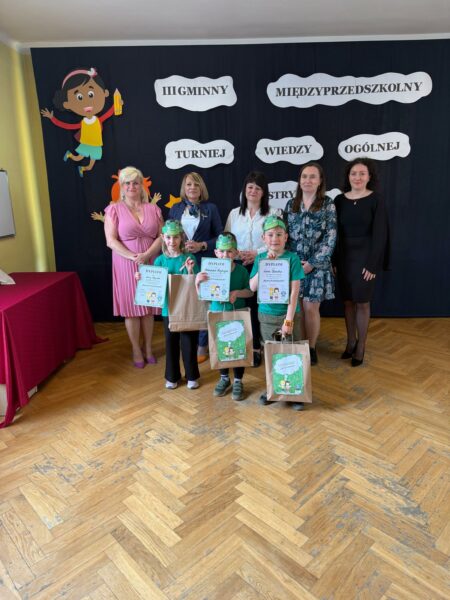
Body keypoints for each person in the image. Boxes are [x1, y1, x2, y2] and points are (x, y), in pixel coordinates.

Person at [104, 166, 162, 367]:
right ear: (122, 186)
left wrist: (147, 255)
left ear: (141, 185)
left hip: (150, 261)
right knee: (131, 309)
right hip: (125, 263)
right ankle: (136, 350)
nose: (131, 186)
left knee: (148, 308)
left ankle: (148, 348)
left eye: (135, 183)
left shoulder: (153, 209)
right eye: (127, 183)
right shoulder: (114, 209)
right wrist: (133, 257)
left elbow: (162, 236)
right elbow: (111, 241)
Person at [334, 158, 388, 366]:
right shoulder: (339, 200)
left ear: (369, 177)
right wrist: (334, 260)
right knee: (347, 302)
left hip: (366, 258)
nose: (357, 177)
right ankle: (350, 342)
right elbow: (335, 234)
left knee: (362, 303)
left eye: (362, 173)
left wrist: (373, 264)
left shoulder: (376, 199)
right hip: (344, 257)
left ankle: (361, 346)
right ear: (348, 176)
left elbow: (380, 234)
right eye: (353, 173)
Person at [250, 216, 305, 411]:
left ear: (286, 237)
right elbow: (252, 287)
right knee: (271, 352)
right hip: (266, 314)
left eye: (279, 234)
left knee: (291, 352)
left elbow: (295, 291)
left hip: (288, 314)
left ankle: (296, 392)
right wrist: (264, 265)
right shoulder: (260, 259)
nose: (275, 239)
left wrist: (289, 319)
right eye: (271, 235)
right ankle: (273, 389)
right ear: (263, 238)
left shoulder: (293, 259)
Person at [284, 162, 337, 365]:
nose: (308, 180)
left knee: (310, 309)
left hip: (317, 266)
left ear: (320, 181)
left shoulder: (327, 204)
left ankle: (311, 347)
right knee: (296, 308)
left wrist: (312, 263)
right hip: (295, 264)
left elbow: (330, 237)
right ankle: (300, 345)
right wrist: (292, 262)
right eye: (304, 176)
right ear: (299, 180)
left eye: (312, 176)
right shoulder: (291, 204)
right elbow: (285, 236)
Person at [169, 172, 223, 363]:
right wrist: (179, 247)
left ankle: (202, 345)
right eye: (189, 184)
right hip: (182, 263)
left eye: (196, 184)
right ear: (184, 188)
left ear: (201, 188)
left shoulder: (211, 208)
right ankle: (186, 341)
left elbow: (220, 236)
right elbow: (168, 235)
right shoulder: (175, 209)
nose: (192, 187)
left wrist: (202, 245)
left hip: (204, 262)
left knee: (204, 302)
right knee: (184, 300)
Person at [225, 171, 277, 367]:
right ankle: (240, 345)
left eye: (258, 188)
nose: (253, 191)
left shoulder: (273, 213)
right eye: (250, 187)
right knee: (240, 307)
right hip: (237, 266)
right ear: (244, 189)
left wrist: (257, 253)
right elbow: (227, 240)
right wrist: (235, 252)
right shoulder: (234, 214)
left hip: (262, 266)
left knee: (257, 308)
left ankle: (256, 348)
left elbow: (276, 240)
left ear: (264, 192)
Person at [195, 233, 253, 401]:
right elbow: (202, 297)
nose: (225, 255)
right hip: (217, 314)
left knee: (239, 348)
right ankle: (224, 378)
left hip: (237, 314)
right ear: (216, 253)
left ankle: (238, 380)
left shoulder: (241, 271)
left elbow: (250, 291)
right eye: (221, 251)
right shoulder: (208, 271)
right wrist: (197, 282)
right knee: (221, 348)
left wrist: (237, 293)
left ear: (236, 253)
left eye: (229, 251)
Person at [40, 67, 122, 177]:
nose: (87, 102)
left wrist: (118, 103)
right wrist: (52, 118)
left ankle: (82, 168)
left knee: (90, 166)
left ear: (105, 93)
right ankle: (69, 155)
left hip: (96, 145)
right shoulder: (83, 123)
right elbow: (67, 126)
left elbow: (108, 114)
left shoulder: (97, 120)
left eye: (91, 95)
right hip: (86, 144)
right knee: (78, 157)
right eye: (79, 97)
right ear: (67, 104)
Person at [151, 220, 200, 389]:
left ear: (181, 238)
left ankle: (192, 375)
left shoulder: (189, 258)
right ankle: (172, 376)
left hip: (187, 308)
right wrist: (143, 278)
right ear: (163, 238)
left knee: (189, 343)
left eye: (176, 237)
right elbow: (153, 285)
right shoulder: (159, 261)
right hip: (168, 308)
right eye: (169, 237)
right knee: (170, 344)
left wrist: (190, 270)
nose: (172, 241)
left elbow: (197, 284)